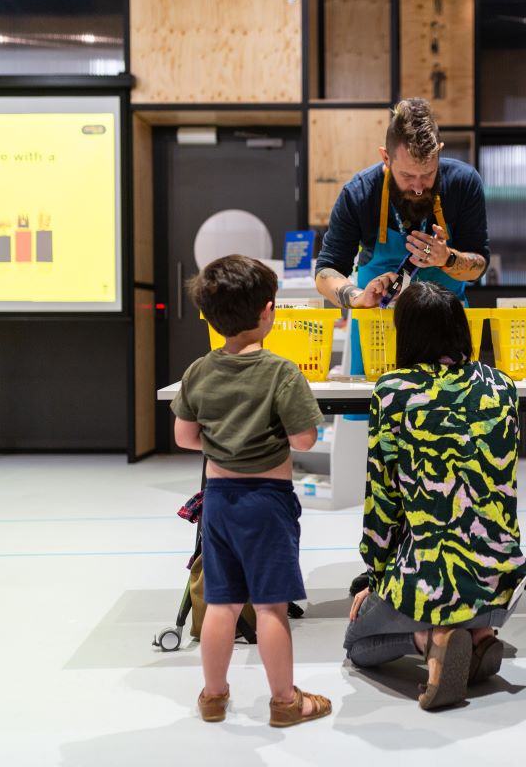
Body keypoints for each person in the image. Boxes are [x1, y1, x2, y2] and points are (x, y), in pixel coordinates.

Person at [343, 282, 526, 711]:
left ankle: (432, 638)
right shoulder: (502, 386)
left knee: (357, 643)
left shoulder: (393, 391)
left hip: (429, 579)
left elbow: (382, 499)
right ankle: (480, 634)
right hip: (499, 575)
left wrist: (374, 577)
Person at [171, 254, 332, 728]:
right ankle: (285, 701)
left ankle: (213, 697)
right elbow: (305, 439)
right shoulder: (281, 372)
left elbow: (184, 437)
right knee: (270, 606)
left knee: (221, 603)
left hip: (219, 503)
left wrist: (223, 443)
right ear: (267, 311)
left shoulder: (199, 371)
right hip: (268, 503)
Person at [314, 96, 490, 375]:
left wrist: (447, 258)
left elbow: (479, 266)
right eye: (408, 176)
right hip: (380, 336)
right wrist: (359, 297)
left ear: (439, 153)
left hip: (447, 334)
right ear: (385, 157)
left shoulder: (464, 183)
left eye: (428, 175)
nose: (418, 187)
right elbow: (326, 271)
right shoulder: (359, 194)